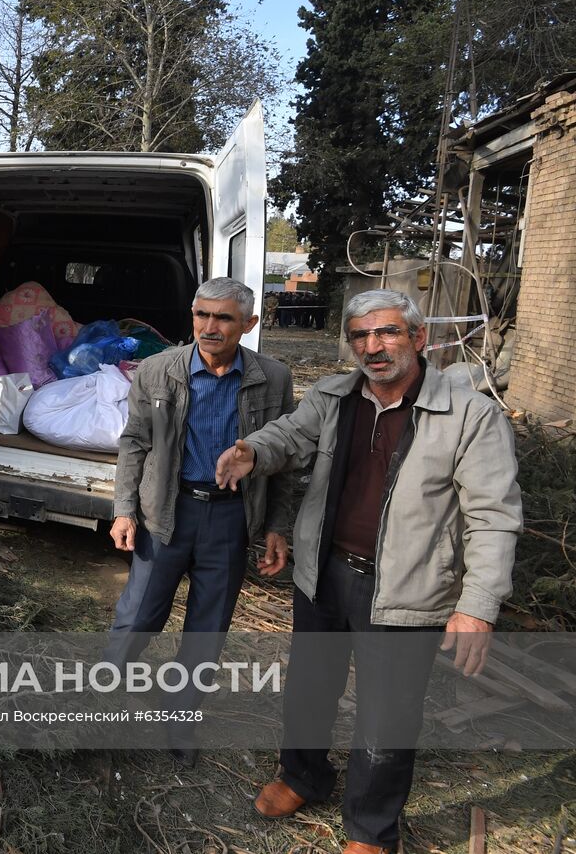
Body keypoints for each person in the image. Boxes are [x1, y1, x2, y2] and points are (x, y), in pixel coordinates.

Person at [215, 288, 521, 854]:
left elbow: (494, 517)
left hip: (409, 588)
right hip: (324, 574)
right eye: (360, 335)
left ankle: (372, 830)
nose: (373, 347)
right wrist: (252, 451)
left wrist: (477, 605)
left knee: (387, 717)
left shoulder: (469, 415)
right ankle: (302, 775)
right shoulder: (334, 395)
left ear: (418, 338)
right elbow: (290, 436)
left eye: (387, 333)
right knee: (309, 689)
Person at [107, 277, 295, 763]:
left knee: (207, 631)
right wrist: (124, 510)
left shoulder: (273, 378)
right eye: (201, 315)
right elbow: (135, 443)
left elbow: (285, 460)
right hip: (166, 514)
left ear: (249, 324)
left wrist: (277, 526)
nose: (209, 327)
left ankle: (179, 722)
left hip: (230, 519)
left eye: (224, 318)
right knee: (138, 618)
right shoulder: (157, 371)